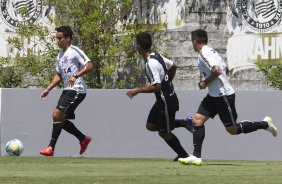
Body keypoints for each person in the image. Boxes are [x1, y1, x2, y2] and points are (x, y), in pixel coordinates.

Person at [178, 29, 278, 166]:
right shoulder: (211, 51)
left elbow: (217, 71)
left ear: (195, 41)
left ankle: (265, 124)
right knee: (197, 121)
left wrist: (204, 82)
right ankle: (196, 156)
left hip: (223, 95)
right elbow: (223, 69)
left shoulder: (205, 53)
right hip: (214, 95)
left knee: (233, 129)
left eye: (192, 42)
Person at [127, 32, 193, 161]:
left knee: (164, 132)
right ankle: (184, 123)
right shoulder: (157, 55)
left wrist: (138, 90)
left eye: (136, 44)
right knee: (151, 126)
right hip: (163, 100)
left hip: (166, 102)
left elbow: (157, 86)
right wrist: (168, 82)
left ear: (139, 46)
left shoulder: (150, 63)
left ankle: (184, 155)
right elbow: (173, 66)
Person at [39, 26, 94, 156]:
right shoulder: (60, 55)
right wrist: (48, 89)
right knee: (59, 118)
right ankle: (83, 139)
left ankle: (50, 148)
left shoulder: (74, 51)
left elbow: (90, 65)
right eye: (56, 38)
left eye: (60, 38)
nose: (57, 41)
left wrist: (76, 76)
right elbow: (59, 75)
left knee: (56, 115)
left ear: (68, 38)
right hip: (67, 90)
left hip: (77, 90)